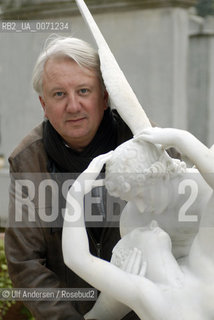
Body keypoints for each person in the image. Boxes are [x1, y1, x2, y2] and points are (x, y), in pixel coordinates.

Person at [4, 35, 139, 320]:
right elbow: (25, 261)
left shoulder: (145, 142)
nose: (73, 106)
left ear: (104, 97)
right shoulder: (29, 160)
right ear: (44, 104)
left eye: (83, 90)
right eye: (59, 94)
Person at [62, 127, 214, 320]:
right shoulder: (204, 262)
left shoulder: (145, 295)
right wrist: (180, 138)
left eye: (141, 196)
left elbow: (77, 258)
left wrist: (75, 194)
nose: (145, 216)